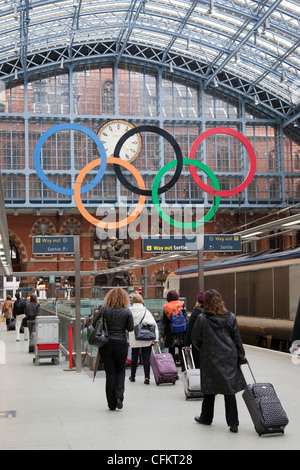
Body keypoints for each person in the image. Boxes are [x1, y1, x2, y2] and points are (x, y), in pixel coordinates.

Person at [192, 289, 247, 433]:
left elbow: (195, 339)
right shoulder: (231, 317)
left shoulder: (202, 318)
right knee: (229, 391)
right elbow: (237, 339)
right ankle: (233, 423)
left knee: (209, 389)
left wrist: (205, 349)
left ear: (206, 302)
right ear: (220, 301)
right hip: (229, 357)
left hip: (209, 357)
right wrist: (241, 356)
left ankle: (206, 417)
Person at [92, 287, 134, 411]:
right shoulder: (127, 311)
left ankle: (111, 403)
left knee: (110, 372)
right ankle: (119, 396)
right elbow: (131, 328)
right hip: (121, 343)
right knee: (120, 371)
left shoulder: (104, 309)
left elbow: (94, 323)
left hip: (106, 343)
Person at [128, 293, 159, 384]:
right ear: (142, 301)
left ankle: (133, 376)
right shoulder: (146, 311)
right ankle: (147, 378)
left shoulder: (129, 311)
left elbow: (127, 324)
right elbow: (154, 325)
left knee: (134, 357)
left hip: (134, 337)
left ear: (133, 301)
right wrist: (155, 340)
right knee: (146, 358)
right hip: (146, 337)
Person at [160, 290, 187, 371]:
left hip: (170, 332)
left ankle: (172, 370)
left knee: (171, 352)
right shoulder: (181, 304)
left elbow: (164, 322)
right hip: (181, 331)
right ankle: (184, 368)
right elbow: (186, 319)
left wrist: (162, 336)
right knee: (182, 351)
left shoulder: (166, 306)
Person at [185, 292, 205, 368]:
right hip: (210, 343)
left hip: (197, 344)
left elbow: (190, 328)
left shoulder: (196, 312)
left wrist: (187, 343)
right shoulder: (212, 311)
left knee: (197, 365)